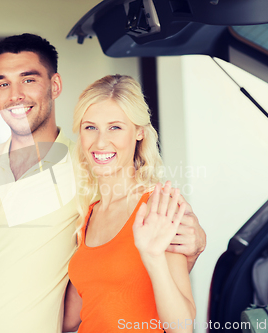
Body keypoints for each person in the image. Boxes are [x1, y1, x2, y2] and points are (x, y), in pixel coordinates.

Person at [0, 34, 206, 333]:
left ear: (55, 85)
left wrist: (193, 244)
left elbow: (143, 218)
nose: (15, 94)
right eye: (3, 83)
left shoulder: (90, 165)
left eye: (28, 79)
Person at [64, 75, 196, 332]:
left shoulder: (159, 207)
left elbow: (183, 327)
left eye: (115, 127)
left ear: (139, 132)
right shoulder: (88, 214)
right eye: (90, 127)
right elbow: (74, 317)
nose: (100, 142)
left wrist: (153, 256)